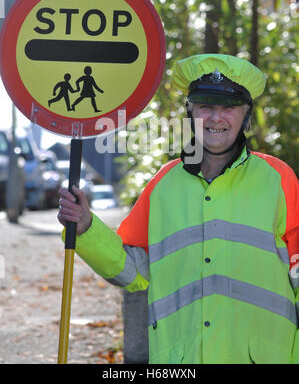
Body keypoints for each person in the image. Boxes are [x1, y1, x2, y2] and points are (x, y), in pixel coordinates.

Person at [58, 53, 299, 364]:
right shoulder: (163, 186)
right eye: (205, 106)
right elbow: (133, 271)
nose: (215, 118)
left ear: (246, 116)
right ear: (190, 112)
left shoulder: (279, 180)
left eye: (228, 107)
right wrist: (87, 227)